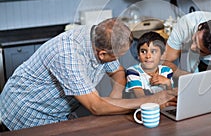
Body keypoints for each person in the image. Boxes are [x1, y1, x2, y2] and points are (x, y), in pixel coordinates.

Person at [0, 18, 176, 131]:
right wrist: (150, 101)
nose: (118, 60)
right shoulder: (68, 54)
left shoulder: (101, 36)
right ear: (102, 54)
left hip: (59, 113)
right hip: (26, 113)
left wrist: (115, 97)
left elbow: (117, 72)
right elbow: (96, 107)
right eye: (116, 57)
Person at [125, 32, 173, 98]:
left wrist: (168, 83)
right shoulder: (133, 72)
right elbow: (141, 98)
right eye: (143, 51)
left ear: (162, 55)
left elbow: (171, 96)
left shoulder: (167, 70)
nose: (148, 56)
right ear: (138, 55)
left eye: (153, 51)